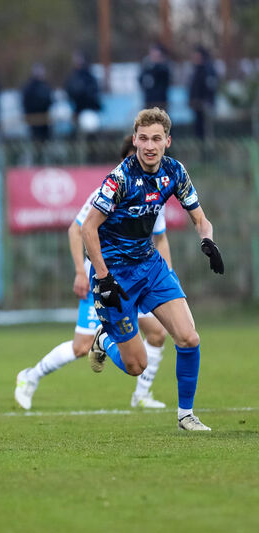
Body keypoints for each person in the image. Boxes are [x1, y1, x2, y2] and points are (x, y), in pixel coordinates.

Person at [81, 107, 224, 431]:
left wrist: (208, 242)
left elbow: (200, 218)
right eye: (143, 138)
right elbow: (89, 229)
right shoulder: (119, 178)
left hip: (150, 267)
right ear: (134, 140)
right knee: (136, 365)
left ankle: (185, 415)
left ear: (167, 141)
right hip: (114, 274)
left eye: (156, 138)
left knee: (188, 338)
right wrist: (103, 278)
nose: (149, 145)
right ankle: (106, 341)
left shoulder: (174, 172)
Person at [15, 136, 171, 410]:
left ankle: (142, 395)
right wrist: (79, 271)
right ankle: (30, 376)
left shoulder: (156, 192)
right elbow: (77, 229)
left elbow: (160, 238)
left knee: (158, 333)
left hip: (140, 276)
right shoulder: (107, 191)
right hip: (105, 279)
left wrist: (166, 276)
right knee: (81, 346)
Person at [188, 45, 218, 140]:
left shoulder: (208, 70)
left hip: (205, 106)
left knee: (207, 131)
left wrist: (208, 101)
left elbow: (211, 87)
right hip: (197, 106)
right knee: (198, 131)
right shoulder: (196, 69)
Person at [139, 44, 171, 110]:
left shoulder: (164, 68)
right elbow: (141, 80)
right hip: (149, 102)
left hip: (160, 103)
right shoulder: (146, 68)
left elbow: (165, 83)